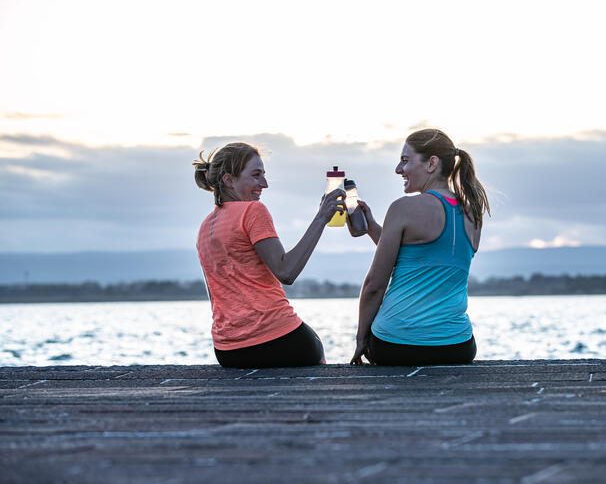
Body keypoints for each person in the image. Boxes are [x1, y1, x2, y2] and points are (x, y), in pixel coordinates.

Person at [192, 142, 345, 368]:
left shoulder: (205, 227)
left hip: (228, 352)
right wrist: (322, 217)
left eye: (264, 175)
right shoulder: (253, 211)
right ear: (228, 180)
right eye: (256, 175)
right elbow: (286, 271)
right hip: (276, 341)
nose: (264, 184)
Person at [350, 129, 490, 366]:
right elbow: (422, 258)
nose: (398, 169)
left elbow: (375, 285)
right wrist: (373, 227)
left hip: (395, 346)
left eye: (405, 161)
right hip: (458, 347)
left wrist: (361, 338)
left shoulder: (402, 208)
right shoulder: (473, 212)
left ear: (431, 164)